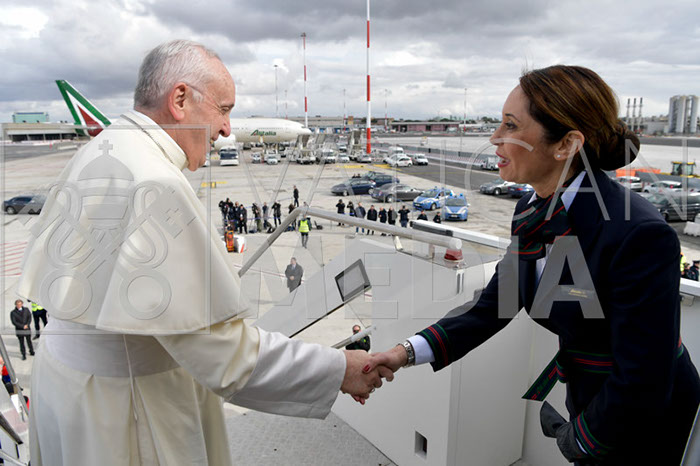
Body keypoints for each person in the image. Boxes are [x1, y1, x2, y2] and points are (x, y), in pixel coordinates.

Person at [17, 40, 391, 465]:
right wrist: (338, 368)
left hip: (66, 390)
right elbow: (225, 354)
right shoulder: (156, 183)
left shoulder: (106, 145)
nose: (227, 129)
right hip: (124, 410)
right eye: (223, 109)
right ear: (179, 99)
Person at [365, 65, 700, 464]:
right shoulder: (532, 209)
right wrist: (403, 353)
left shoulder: (638, 233)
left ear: (566, 145)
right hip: (589, 396)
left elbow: (643, 377)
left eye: (510, 125)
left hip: (644, 418)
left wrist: (581, 441)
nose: (494, 138)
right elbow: (495, 306)